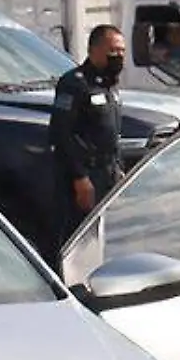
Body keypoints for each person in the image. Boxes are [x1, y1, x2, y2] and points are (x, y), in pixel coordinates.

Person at [49, 24, 128, 249]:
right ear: (94, 50)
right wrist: (80, 178)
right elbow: (61, 134)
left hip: (107, 174)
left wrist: (118, 169)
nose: (119, 57)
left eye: (122, 51)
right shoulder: (75, 84)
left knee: (104, 239)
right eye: (114, 51)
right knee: (79, 238)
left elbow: (111, 134)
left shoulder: (110, 85)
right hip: (84, 176)